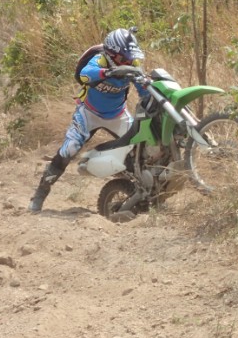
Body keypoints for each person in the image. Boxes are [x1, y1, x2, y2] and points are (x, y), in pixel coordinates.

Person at [28, 28, 148, 213]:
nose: (128, 61)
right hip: (88, 113)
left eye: (130, 57)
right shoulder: (100, 59)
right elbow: (86, 74)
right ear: (111, 54)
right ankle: (40, 195)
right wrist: (109, 72)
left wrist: (146, 88)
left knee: (139, 148)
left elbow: (144, 91)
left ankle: (141, 196)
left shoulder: (133, 64)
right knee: (69, 150)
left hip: (118, 114)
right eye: (123, 57)